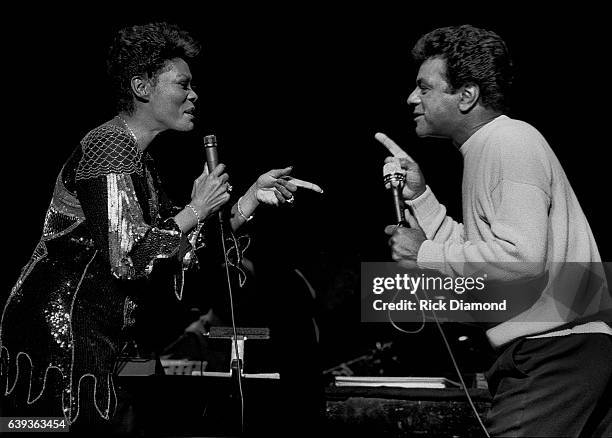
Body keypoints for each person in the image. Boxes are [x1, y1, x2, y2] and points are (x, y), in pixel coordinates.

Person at [0, 21, 322, 432]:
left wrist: (248, 201)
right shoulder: (109, 146)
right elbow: (130, 257)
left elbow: (178, 245)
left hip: (111, 336)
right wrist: (196, 207)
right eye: (183, 84)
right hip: (66, 336)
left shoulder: (141, 163)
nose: (194, 95)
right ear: (141, 87)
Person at [377, 25, 612, 436]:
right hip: (561, 349)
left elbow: (520, 260)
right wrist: (420, 197)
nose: (412, 98)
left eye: (424, 88)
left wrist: (424, 255)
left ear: (466, 96)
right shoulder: (489, 147)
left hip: (556, 349)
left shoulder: (510, 142)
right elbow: (484, 254)